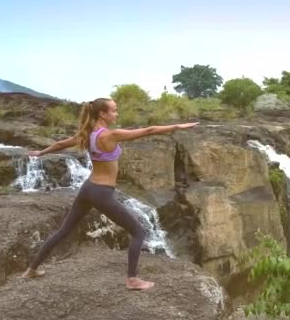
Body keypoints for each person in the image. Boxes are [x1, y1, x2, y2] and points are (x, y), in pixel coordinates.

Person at [21, 98, 198, 290]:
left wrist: (40, 153)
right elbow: (148, 130)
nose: (117, 114)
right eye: (114, 111)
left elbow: (61, 144)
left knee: (64, 230)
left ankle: (32, 269)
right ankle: (132, 280)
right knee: (139, 231)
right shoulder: (110, 135)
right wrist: (178, 126)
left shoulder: (87, 133)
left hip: (88, 188)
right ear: (102, 114)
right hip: (102, 192)